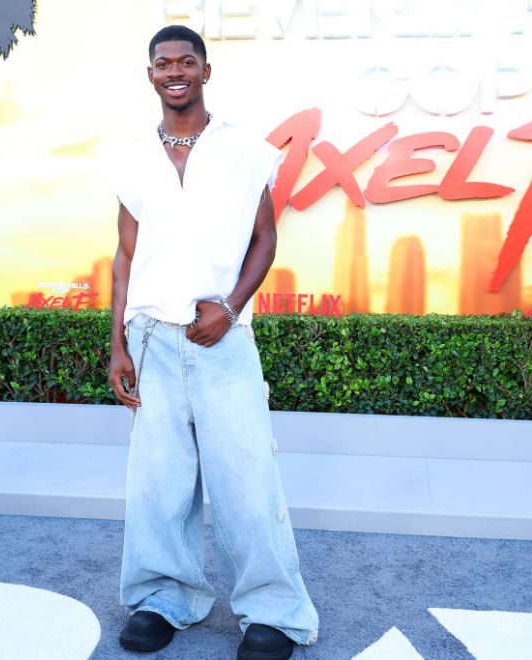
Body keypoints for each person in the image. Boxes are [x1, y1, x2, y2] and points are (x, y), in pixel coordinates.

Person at [105, 24, 319, 660]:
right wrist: (117, 343)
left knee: (247, 478)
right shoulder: (132, 156)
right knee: (159, 484)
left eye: (186, 61)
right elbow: (125, 252)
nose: (175, 71)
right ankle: (164, 597)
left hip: (221, 339)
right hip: (150, 337)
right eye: (163, 63)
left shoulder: (245, 150)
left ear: (205, 69)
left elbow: (265, 240)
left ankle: (274, 614)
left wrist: (230, 306)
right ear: (150, 75)